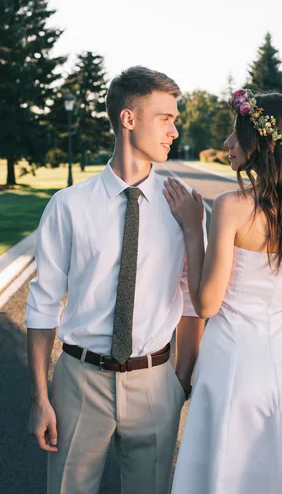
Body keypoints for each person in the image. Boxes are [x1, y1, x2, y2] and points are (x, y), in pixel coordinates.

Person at [25, 66, 204, 494]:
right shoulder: (68, 206)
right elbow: (43, 304)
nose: (174, 131)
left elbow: (191, 303)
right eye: (166, 118)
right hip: (79, 381)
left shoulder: (184, 208)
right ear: (128, 119)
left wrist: (180, 382)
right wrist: (40, 398)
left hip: (156, 383)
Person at [164, 89, 282, 494]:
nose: (228, 144)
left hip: (231, 368)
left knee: (221, 477)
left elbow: (207, 303)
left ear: (259, 144)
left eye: (235, 133)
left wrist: (194, 229)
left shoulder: (231, 206)